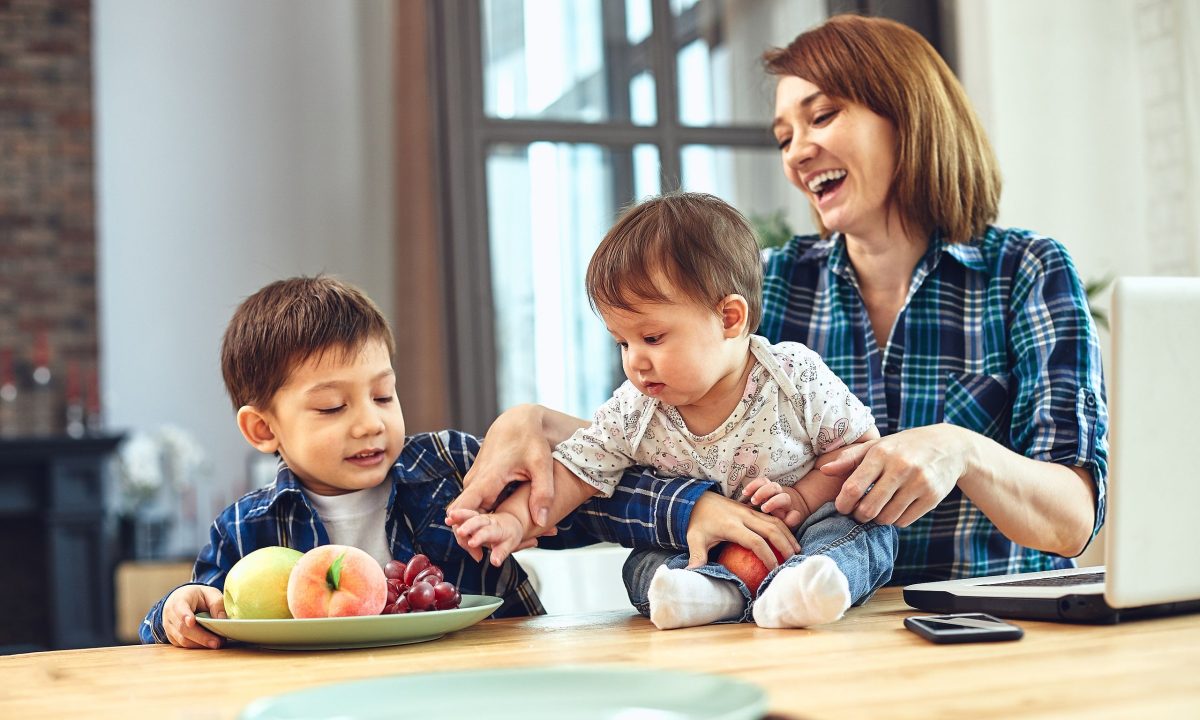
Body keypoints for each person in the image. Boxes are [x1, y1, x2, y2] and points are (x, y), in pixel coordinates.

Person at [449, 14, 1108, 611]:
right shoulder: (773, 283)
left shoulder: (1027, 272)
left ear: (908, 118)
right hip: (805, 639)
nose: (795, 152)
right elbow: (635, 452)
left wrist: (961, 450)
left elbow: (1072, 519)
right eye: (785, 134)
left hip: (988, 630)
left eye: (822, 117)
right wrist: (548, 429)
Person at [141, 276, 704, 648]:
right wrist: (178, 610)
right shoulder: (247, 528)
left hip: (493, 687)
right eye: (333, 406)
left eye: (383, 396)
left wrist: (691, 508)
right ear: (263, 429)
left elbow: (593, 499)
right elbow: (200, 618)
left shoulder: (450, 468)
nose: (369, 422)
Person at [449, 192, 896, 629]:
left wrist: (802, 498)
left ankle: (805, 587)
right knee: (642, 565)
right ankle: (712, 593)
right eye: (622, 342)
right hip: (705, 547)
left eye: (653, 338)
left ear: (729, 319)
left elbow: (857, 451)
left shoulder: (792, 375)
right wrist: (511, 520)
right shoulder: (635, 407)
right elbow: (573, 473)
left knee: (868, 533)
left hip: (807, 530)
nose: (634, 361)